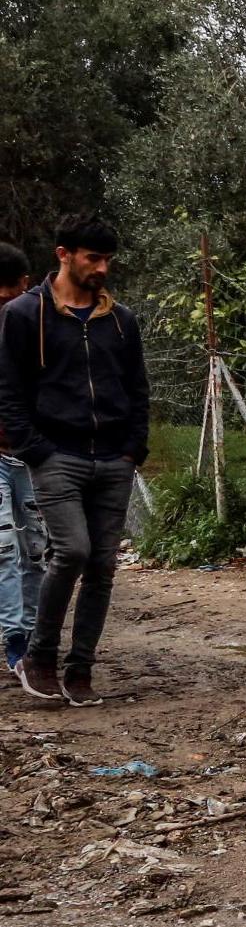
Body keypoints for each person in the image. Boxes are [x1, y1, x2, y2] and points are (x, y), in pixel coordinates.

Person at [0, 214, 150, 707]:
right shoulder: (25, 314)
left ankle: (80, 668)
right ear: (63, 254)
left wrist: (132, 449)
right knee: (73, 551)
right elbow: (10, 390)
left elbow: (137, 388)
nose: (102, 268)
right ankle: (39, 656)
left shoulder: (120, 320)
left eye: (108, 259)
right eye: (93, 258)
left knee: (104, 564)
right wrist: (34, 448)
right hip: (56, 455)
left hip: (113, 458)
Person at [0, 244, 45, 672]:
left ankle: (29, 638)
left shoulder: (40, 325)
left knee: (35, 548)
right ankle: (15, 638)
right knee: (4, 546)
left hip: (31, 451)